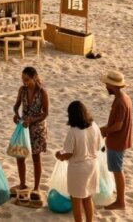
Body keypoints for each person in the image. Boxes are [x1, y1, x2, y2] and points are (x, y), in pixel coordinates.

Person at [56, 101, 102, 222]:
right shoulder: (94, 126)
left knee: (76, 200)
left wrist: (59, 155)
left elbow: (68, 154)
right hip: (93, 166)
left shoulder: (73, 132)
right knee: (88, 198)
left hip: (79, 169)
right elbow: (98, 146)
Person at [12, 66, 49, 196]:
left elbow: (45, 113)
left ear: (35, 78)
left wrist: (32, 120)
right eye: (23, 79)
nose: (24, 82)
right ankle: (22, 183)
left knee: (35, 157)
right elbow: (16, 105)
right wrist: (16, 115)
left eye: (27, 79)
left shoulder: (42, 92)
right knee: (20, 156)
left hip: (37, 128)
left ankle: (36, 187)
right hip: (24, 126)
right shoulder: (22, 90)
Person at [99, 71, 132, 211]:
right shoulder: (125, 98)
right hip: (120, 139)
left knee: (117, 171)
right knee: (117, 169)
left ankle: (120, 201)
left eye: (107, 84)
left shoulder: (120, 102)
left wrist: (105, 130)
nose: (106, 86)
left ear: (112, 86)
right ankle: (119, 199)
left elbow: (118, 126)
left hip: (117, 141)